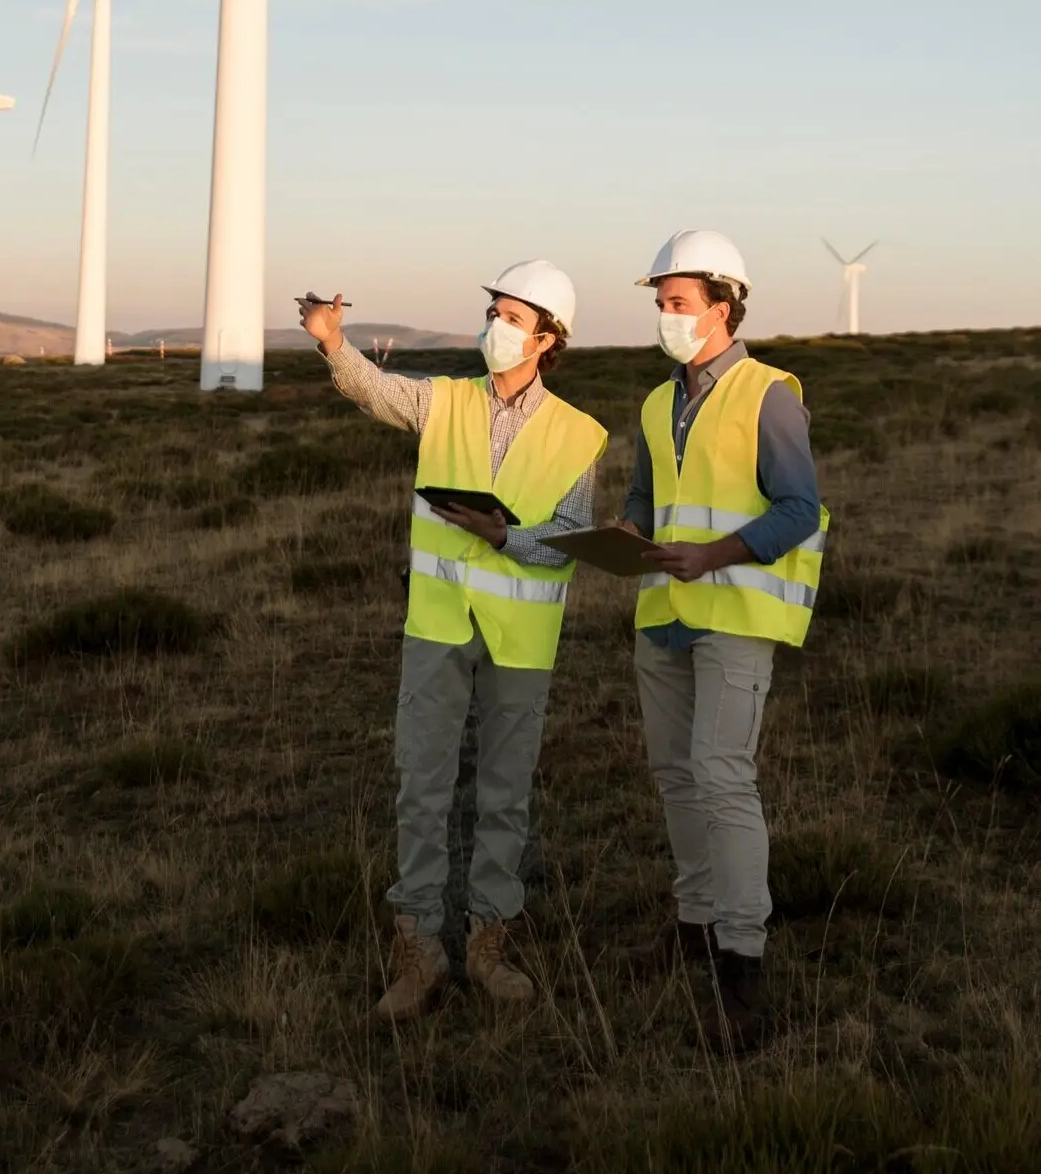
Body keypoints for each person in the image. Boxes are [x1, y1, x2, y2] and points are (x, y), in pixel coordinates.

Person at [300, 262, 607, 1023]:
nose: (495, 326)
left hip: (521, 641)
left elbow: (571, 538)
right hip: (437, 624)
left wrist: (506, 536)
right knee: (422, 787)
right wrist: (332, 342)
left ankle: (488, 945)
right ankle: (419, 949)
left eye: (512, 317)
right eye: (494, 312)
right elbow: (375, 390)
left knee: (504, 794)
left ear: (545, 339)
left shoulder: (579, 435)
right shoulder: (442, 400)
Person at [620, 230, 826, 1052]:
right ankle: (694, 923)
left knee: (721, 778)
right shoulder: (653, 403)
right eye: (660, 303)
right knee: (676, 777)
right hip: (662, 613)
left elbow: (798, 509)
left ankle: (742, 961)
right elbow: (645, 497)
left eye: (678, 302)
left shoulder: (767, 393)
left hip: (734, 613)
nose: (665, 316)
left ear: (723, 306)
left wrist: (714, 554)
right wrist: (625, 532)